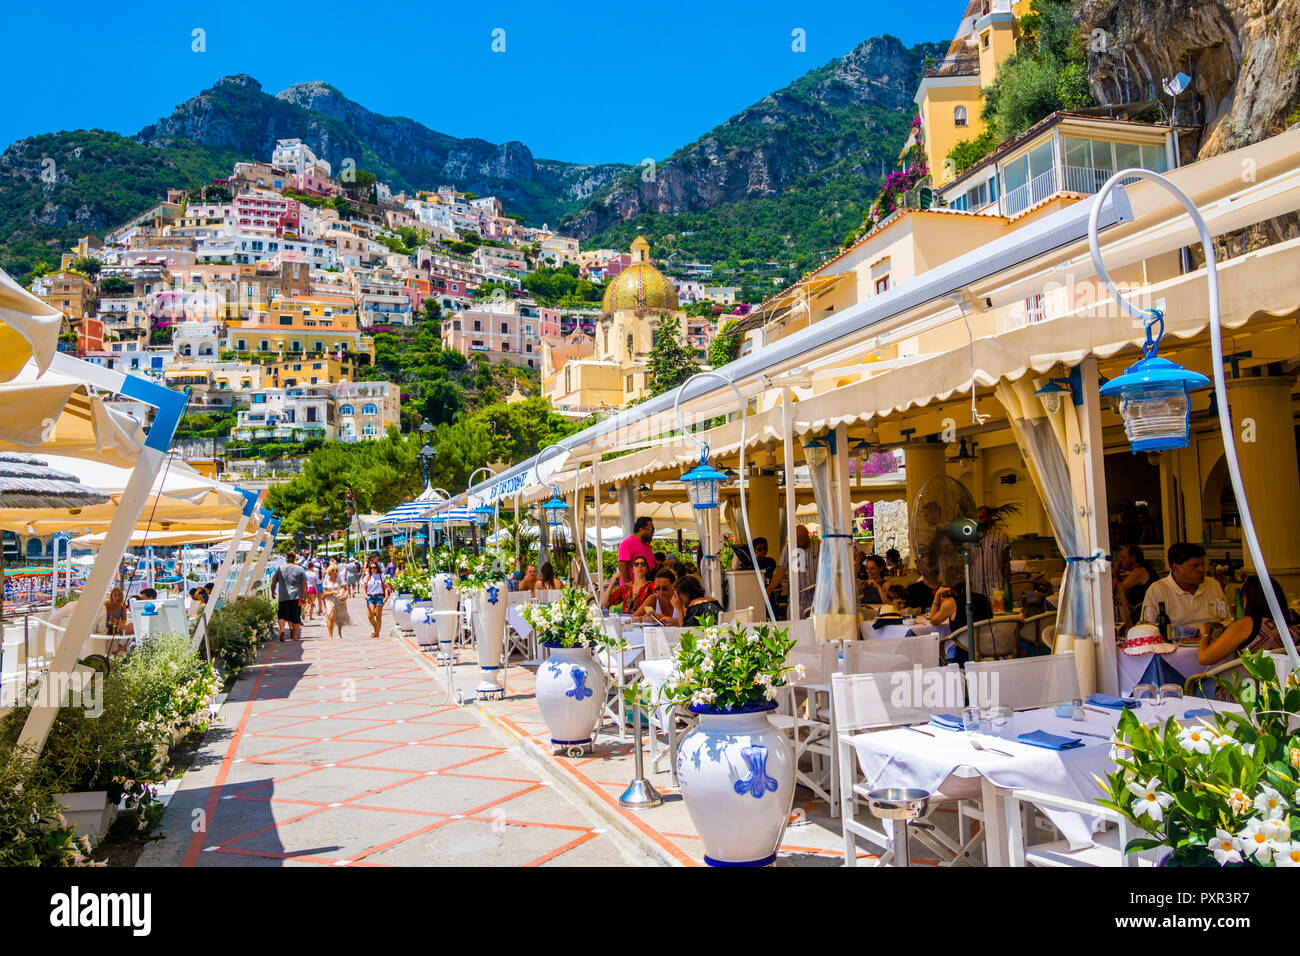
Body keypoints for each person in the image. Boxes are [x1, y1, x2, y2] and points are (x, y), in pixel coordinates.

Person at [1197, 575, 1300, 668]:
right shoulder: (1292, 626)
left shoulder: (1247, 624)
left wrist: (1205, 633)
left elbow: (1204, 658)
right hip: (1283, 687)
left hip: (1251, 685)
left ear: (1251, 600)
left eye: (1244, 599)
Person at [1141, 542, 1227, 630]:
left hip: (1213, 641)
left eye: (1202, 564)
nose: (1201, 570)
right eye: (1195, 566)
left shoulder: (1212, 584)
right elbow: (1148, 629)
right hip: (1174, 642)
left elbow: (1226, 618)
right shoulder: (1158, 590)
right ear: (1176, 568)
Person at [930, 579, 994, 664]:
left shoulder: (951, 603)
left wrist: (937, 595)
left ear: (948, 587)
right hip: (988, 649)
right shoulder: (985, 598)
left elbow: (933, 620)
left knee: (937, 657)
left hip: (964, 652)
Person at [769, 524, 816, 616]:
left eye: (799, 542)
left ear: (807, 538)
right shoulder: (788, 548)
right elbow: (781, 569)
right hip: (796, 600)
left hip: (816, 600)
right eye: (795, 541)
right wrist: (769, 588)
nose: (796, 544)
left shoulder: (818, 546)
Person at [970, 505, 1011, 598]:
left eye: (982, 518)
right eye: (977, 518)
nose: (979, 521)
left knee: (997, 611)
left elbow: (1006, 563)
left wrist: (1007, 585)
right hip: (976, 588)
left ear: (989, 517)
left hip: (996, 587)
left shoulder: (1001, 536)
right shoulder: (970, 538)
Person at [1113, 544, 1156, 628]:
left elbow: (1118, 589)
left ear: (1132, 559)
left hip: (1144, 616)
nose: (1119, 561)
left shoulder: (1139, 572)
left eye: (1122, 557)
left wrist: (1114, 572)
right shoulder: (1143, 568)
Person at [271, 552, 307, 642]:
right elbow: (304, 585)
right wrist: (305, 597)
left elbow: (273, 582)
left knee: (282, 615)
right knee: (296, 616)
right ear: (295, 559)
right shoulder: (300, 569)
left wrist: (272, 592)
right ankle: (295, 636)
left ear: (286, 559)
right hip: (296, 597)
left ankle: (282, 631)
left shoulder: (280, 569)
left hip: (283, 596)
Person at [617, 517, 657, 585]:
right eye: (651, 530)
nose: (653, 533)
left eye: (653, 530)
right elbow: (622, 565)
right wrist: (628, 585)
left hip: (645, 587)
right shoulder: (627, 543)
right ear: (641, 530)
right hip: (633, 589)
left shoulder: (647, 546)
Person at [323, 561, 350, 639]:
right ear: (329, 572)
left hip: (339, 600)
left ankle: (339, 633)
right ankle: (330, 635)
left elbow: (346, 589)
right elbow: (324, 593)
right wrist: (332, 591)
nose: (335, 572)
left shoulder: (340, 579)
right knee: (331, 616)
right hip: (330, 600)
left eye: (337, 570)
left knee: (339, 616)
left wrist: (345, 595)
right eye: (333, 570)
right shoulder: (326, 580)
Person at [362, 556, 386, 639]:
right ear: (369, 569)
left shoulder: (381, 576)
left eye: (375, 567)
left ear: (377, 568)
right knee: (370, 615)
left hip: (379, 596)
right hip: (370, 597)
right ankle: (376, 630)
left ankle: (377, 633)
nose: (373, 569)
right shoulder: (367, 577)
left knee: (378, 616)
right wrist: (364, 595)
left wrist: (385, 597)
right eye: (371, 568)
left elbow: (385, 587)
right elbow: (364, 588)